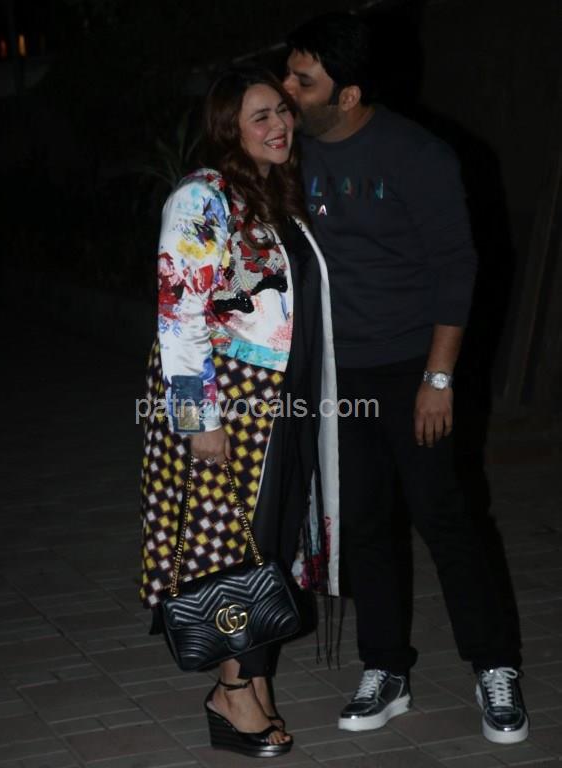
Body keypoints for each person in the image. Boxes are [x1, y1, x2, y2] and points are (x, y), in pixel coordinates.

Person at [283, 12, 529, 745]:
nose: (288, 89)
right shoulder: (290, 151)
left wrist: (439, 378)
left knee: (443, 517)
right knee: (361, 524)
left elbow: (458, 266)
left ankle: (494, 666)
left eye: (303, 81)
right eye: (289, 74)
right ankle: (385, 668)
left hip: (413, 369)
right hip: (338, 374)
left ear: (348, 94)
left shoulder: (417, 155)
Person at [139, 67, 340, 758]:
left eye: (282, 111)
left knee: (267, 544)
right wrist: (199, 421)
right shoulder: (203, 196)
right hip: (232, 402)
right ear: (229, 127)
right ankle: (231, 692)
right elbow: (179, 313)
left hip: (283, 401)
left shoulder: (274, 194)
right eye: (260, 116)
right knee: (232, 547)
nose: (278, 125)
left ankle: (250, 682)